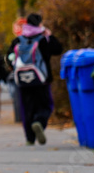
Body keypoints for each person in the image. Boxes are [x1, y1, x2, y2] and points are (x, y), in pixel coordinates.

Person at [8, 13, 63, 145]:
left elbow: (9, 57)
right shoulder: (43, 39)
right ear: (39, 24)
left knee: (27, 108)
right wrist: (49, 35)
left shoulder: (18, 40)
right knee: (46, 105)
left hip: (23, 80)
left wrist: (15, 67)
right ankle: (39, 121)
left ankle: (29, 138)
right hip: (41, 79)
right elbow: (58, 49)